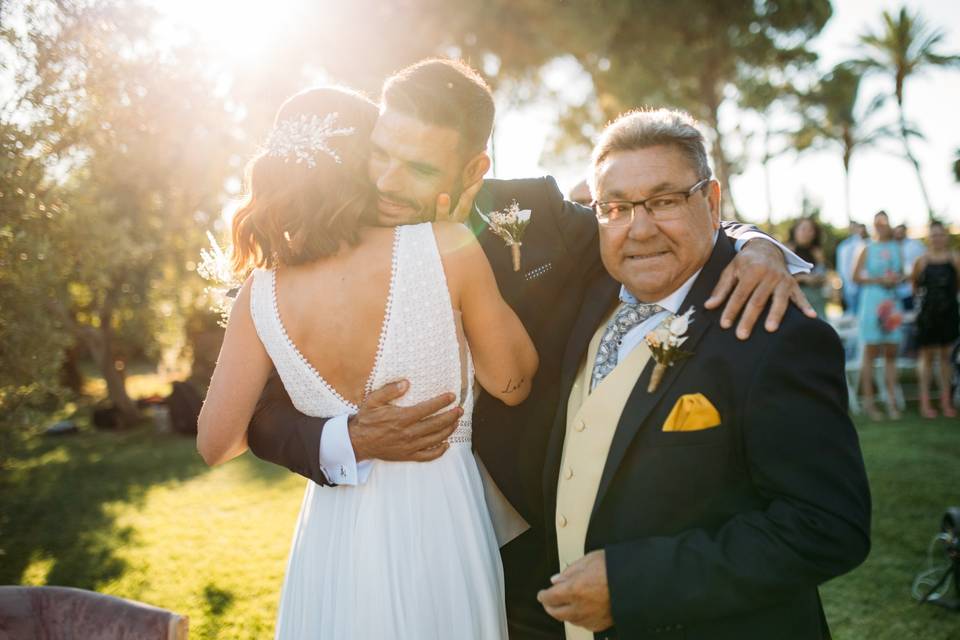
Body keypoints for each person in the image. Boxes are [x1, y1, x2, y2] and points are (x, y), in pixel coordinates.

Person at [243, 59, 815, 639]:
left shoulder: (532, 212)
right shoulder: (326, 228)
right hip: (385, 528)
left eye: (417, 166)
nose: (387, 181)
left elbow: (649, 225)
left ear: (473, 169)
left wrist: (755, 244)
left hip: (537, 536)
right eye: (380, 153)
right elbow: (260, 408)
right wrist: (347, 438)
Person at [196, 87, 539, 638]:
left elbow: (216, 443)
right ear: (363, 165)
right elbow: (514, 383)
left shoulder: (258, 293)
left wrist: (337, 435)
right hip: (440, 526)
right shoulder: (447, 244)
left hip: (332, 536)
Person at [536, 108, 871, 640]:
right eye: (617, 207)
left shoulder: (776, 334)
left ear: (711, 201)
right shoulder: (589, 291)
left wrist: (632, 586)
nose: (639, 228)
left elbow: (827, 527)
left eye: (665, 201)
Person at [854, 211, 905, 420]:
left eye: (884, 223)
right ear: (873, 226)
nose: (881, 226)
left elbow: (902, 273)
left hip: (892, 303)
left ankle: (891, 401)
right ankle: (869, 403)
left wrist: (896, 279)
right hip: (872, 302)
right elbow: (855, 276)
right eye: (878, 223)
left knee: (891, 354)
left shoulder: (896, 248)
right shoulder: (866, 248)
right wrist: (878, 281)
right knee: (870, 354)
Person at [912, 220, 959, 418]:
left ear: (945, 236)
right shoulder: (921, 261)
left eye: (940, 234)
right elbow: (915, 286)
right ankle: (925, 403)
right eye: (933, 235)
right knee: (927, 358)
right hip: (927, 315)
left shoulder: (954, 258)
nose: (937, 238)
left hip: (948, 313)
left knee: (946, 358)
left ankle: (946, 401)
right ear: (928, 237)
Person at [787, 217, 829, 318]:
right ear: (795, 230)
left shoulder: (817, 252)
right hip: (793, 298)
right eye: (803, 229)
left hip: (816, 298)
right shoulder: (787, 250)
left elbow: (824, 275)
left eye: (810, 230)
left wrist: (818, 278)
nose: (806, 233)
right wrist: (803, 278)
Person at [836, 222, 867, 315]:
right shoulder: (843, 246)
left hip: (863, 284)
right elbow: (841, 266)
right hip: (848, 285)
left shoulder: (866, 244)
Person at [894, 223, 927, 311]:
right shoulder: (891, 246)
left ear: (905, 231)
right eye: (897, 232)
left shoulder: (916, 245)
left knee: (910, 315)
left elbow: (923, 263)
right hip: (894, 291)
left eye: (901, 232)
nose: (899, 234)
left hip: (910, 289)